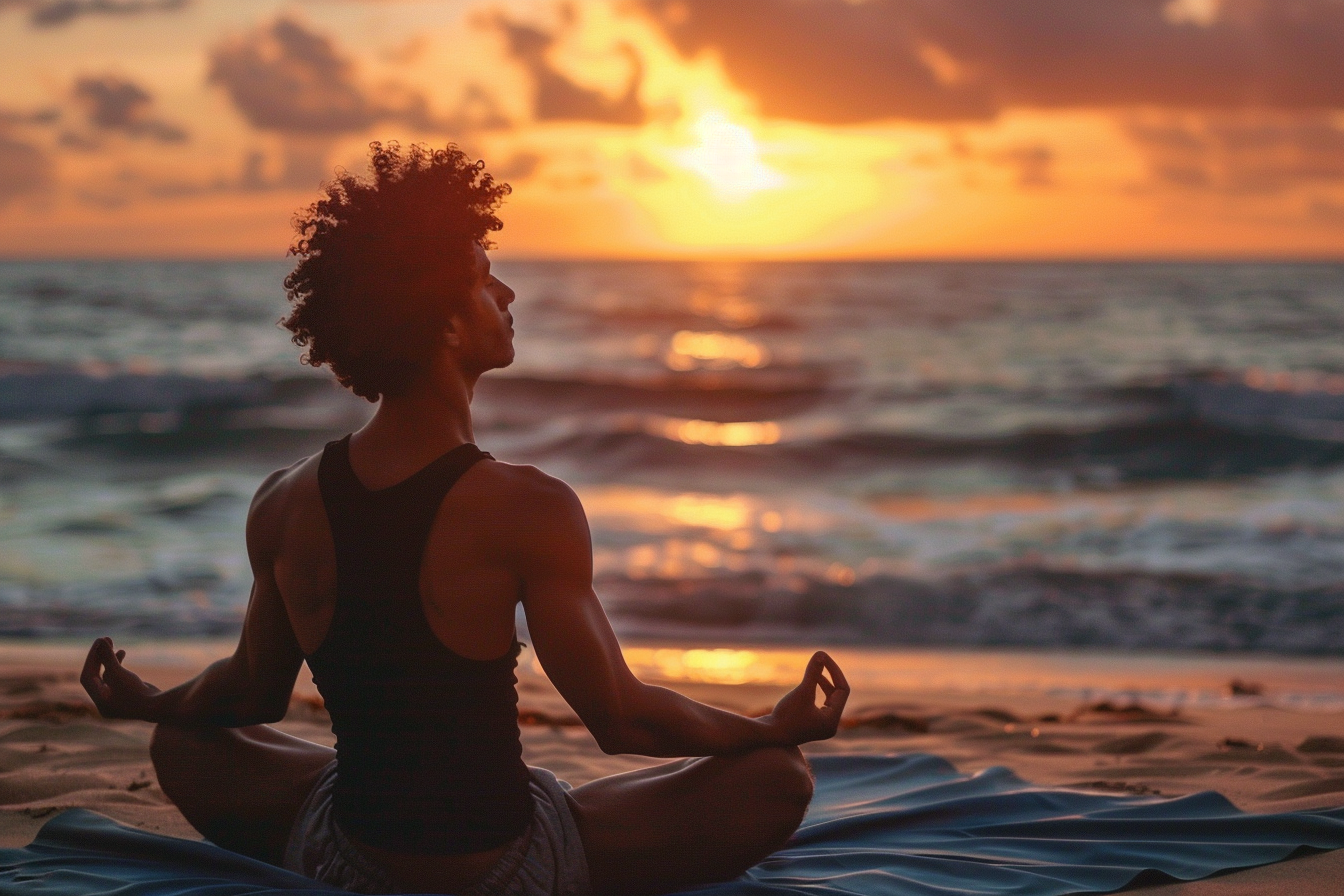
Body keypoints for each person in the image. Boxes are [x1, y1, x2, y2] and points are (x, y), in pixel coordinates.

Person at [80, 142, 850, 896]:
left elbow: (250, 693)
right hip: (504, 866)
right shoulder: (529, 506)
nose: (508, 295)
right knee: (776, 779)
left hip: (340, 854)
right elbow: (622, 719)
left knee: (184, 742)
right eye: (485, 280)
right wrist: (770, 727)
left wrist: (148, 703)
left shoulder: (284, 500)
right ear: (444, 324)